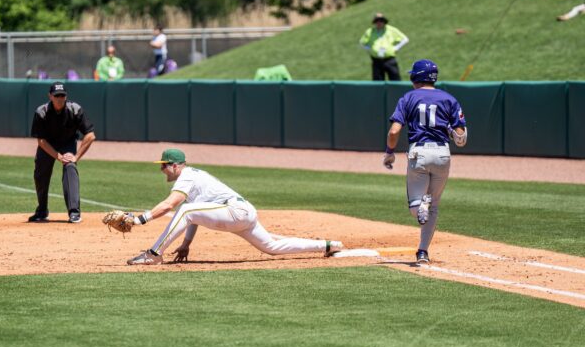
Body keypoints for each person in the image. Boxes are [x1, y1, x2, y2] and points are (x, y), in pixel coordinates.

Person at [125, 148, 344, 265]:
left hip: (235, 212)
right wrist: (186, 244)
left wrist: (138, 219)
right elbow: (193, 215)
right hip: (243, 212)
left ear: (174, 166)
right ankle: (327, 245)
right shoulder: (193, 177)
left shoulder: (187, 176)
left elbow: (170, 205)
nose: (161, 170)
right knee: (272, 247)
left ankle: (154, 254)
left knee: (184, 209)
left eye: (163, 166)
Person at [382, 59, 467, 265]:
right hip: (442, 154)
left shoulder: (408, 97)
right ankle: (422, 252)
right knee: (434, 207)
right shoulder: (449, 99)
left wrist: (389, 152)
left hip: (418, 153)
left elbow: (394, 131)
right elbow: (461, 137)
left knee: (416, 207)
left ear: (415, 77)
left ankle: (421, 205)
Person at [29, 81, 96, 223]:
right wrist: (58, 156)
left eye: (62, 95)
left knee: (70, 167)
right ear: (50, 96)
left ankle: (74, 212)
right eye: (56, 95)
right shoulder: (42, 112)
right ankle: (42, 211)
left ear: (66, 96)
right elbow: (41, 141)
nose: (59, 98)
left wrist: (76, 157)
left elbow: (90, 135)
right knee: (40, 172)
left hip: (68, 143)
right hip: (48, 144)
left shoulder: (75, 109)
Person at [359, 12, 409, 81]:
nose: (379, 23)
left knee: (395, 80)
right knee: (377, 82)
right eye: (377, 21)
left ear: (384, 21)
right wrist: (370, 49)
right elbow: (362, 43)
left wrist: (396, 48)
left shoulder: (391, 30)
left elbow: (405, 39)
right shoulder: (370, 31)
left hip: (389, 60)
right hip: (376, 60)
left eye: (381, 20)